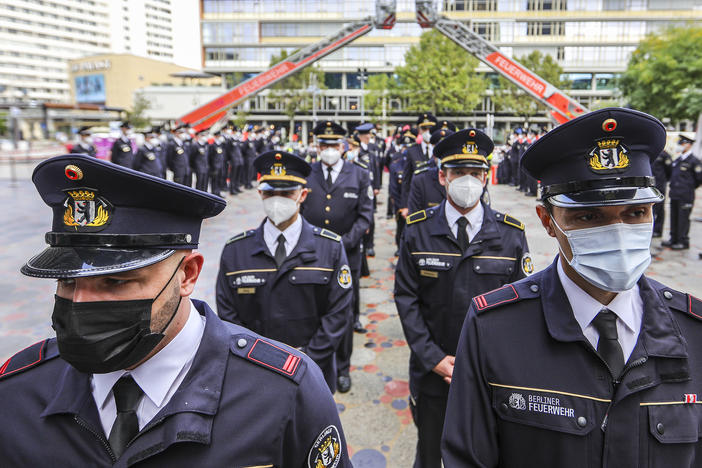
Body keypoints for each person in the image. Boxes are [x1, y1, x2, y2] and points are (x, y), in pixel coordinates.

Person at [0, 154, 350, 467]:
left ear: (187, 274)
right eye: (67, 281)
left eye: (116, 282)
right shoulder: (17, 393)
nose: (80, 305)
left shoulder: (281, 393)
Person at [441, 108, 702, 467]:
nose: (618, 232)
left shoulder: (694, 331)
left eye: (635, 213)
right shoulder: (494, 328)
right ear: (548, 221)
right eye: (589, 216)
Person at [395, 128, 531, 468]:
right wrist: (433, 357)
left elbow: (522, 306)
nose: (467, 181)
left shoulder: (510, 234)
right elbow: (406, 297)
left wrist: (495, 360)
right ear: (442, 176)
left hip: (492, 372)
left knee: (490, 450)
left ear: (487, 177)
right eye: (458, 173)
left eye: (475, 173)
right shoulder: (417, 228)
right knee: (430, 450)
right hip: (433, 371)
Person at [216, 151, 352, 392]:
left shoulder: (329, 247)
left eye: (287, 193)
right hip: (254, 373)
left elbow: (338, 313)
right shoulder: (236, 251)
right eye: (270, 193)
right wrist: (258, 359)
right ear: (260, 193)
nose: (277, 200)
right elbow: (228, 316)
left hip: (313, 370)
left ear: (302, 194)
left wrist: (307, 359)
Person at [301, 120, 373, 393]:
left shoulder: (359, 174)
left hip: (347, 254)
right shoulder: (307, 172)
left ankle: (342, 367)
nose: (329, 149)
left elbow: (365, 214)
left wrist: (342, 245)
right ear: (317, 146)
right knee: (314, 309)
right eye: (324, 145)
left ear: (343, 146)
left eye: (333, 145)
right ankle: (312, 363)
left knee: (342, 312)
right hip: (310, 254)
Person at [662, 134, 701, 249]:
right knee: (674, 217)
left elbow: (699, 178)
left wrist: (688, 187)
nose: (680, 146)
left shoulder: (694, 161)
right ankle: (673, 239)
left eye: (682, 144)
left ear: (688, 145)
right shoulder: (678, 159)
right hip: (675, 194)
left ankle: (683, 241)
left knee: (683, 219)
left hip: (686, 195)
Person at [398, 114, 438, 219]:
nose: (428, 132)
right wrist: (405, 205)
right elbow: (406, 181)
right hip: (416, 200)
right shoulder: (412, 151)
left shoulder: (440, 150)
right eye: (424, 128)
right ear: (419, 130)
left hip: (436, 198)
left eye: (431, 128)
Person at [407, 127, 454, 213]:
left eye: (447, 152)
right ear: (434, 154)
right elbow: (414, 219)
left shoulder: (468, 177)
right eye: (440, 152)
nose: (443, 158)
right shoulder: (420, 179)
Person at [357, 122, 382, 258]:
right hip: (359, 187)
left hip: (370, 188)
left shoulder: (372, 149)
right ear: (362, 136)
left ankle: (369, 245)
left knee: (370, 217)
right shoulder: (357, 150)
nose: (369, 136)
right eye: (367, 134)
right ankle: (361, 241)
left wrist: (377, 186)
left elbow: (376, 168)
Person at [651, 149, 673, 237]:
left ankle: (658, 230)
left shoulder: (664, 155)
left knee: (659, 208)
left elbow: (670, 171)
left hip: (660, 185)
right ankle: (651, 228)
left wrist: (663, 181)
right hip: (650, 185)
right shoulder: (651, 152)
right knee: (650, 208)